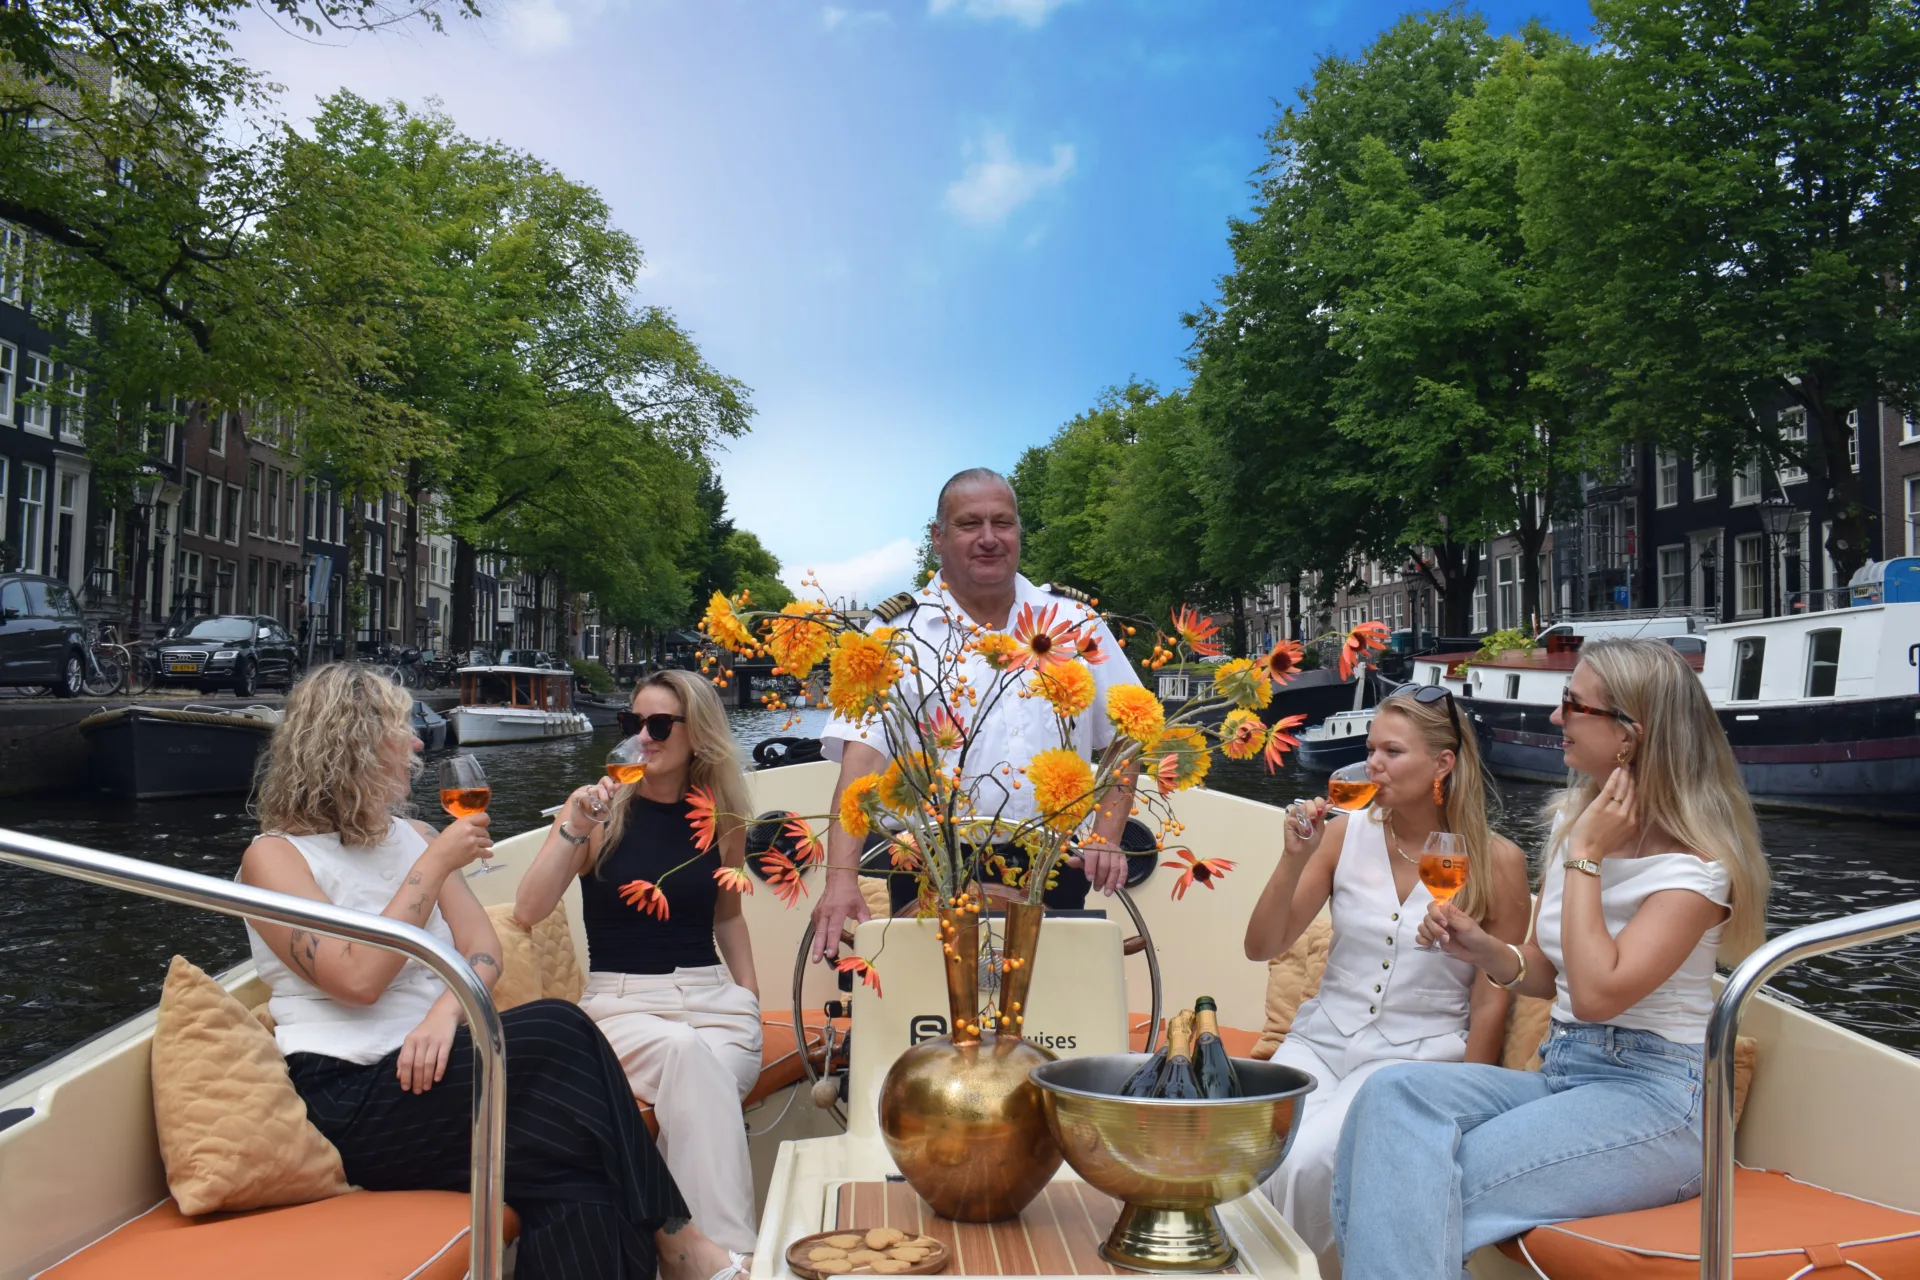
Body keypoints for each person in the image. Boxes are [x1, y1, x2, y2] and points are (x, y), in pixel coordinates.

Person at [240, 664, 744, 1280]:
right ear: (352, 745)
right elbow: (357, 979)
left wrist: (445, 1010)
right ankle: (681, 1241)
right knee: (559, 1026)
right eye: (400, 731)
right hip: (356, 1094)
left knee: (586, 1186)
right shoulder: (274, 857)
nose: (418, 743)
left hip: (442, 1071)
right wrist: (434, 863)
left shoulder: (414, 834)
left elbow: (483, 949)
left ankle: (680, 1249)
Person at [1331, 639, 1772, 1279]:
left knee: (1413, 1181)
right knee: (1390, 1093)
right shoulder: (1576, 824)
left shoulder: (1695, 869)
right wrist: (1486, 949)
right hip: (1563, 1073)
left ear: (1628, 735)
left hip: (1657, 1102)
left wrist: (1587, 855)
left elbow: (1596, 995)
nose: (1555, 716)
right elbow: (1547, 974)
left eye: (1573, 704)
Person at [1243, 684, 1529, 1269]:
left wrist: (1466, 1100)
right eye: (1371, 749)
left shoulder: (1499, 863)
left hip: (1412, 1059)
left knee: (1311, 1160)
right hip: (1321, 1041)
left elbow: (1491, 997)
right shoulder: (1342, 835)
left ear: (1442, 764)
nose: (1373, 763)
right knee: (1251, 1145)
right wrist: (1294, 858)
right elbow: (1261, 947)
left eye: (1392, 752)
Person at [809, 467, 1144, 957]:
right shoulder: (892, 635)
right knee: (930, 1004)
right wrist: (840, 879)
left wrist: (1105, 836)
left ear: (1019, 532)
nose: (989, 538)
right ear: (938, 537)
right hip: (928, 865)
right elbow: (861, 766)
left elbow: (1128, 734)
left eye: (1002, 523)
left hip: (1054, 864)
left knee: (1054, 1003)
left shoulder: (1076, 623)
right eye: (970, 524)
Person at [515, 669, 762, 1258]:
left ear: (697, 734)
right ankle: (730, 1257)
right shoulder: (596, 815)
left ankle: (689, 1258)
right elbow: (528, 909)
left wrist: (750, 996)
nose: (643, 738)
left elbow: (728, 918)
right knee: (686, 1059)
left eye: (659, 725)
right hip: (620, 1009)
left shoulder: (722, 819)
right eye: (633, 723)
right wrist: (575, 828)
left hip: (715, 1005)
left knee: (698, 1088)